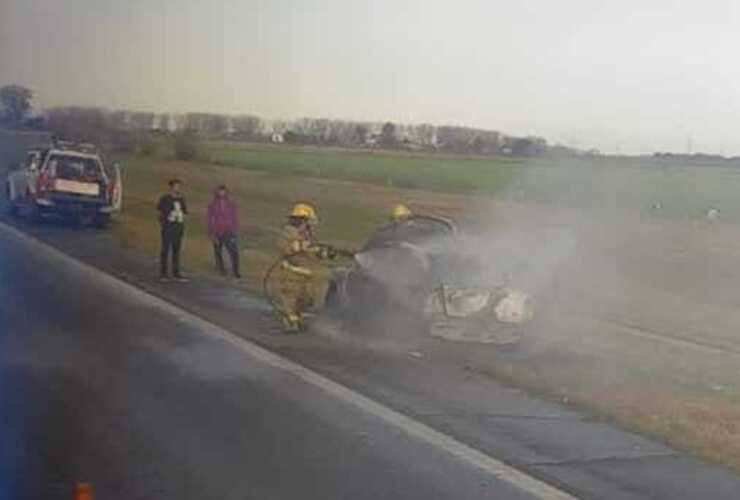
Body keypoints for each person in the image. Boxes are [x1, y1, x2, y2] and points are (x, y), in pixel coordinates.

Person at [277, 202, 336, 332]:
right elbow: (286, 249)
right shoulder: (288, 232)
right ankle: (290, 322)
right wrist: (304, 246)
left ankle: (295, 319)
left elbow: (312, 250)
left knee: (306, 299)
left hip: (306, 273)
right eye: (308, 220)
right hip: (290, 273)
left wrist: (325, 253)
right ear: (301, 219)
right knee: (291, 297)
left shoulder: (307, 233)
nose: (310, 224)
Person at [207, 185, 241, 279]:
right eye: (220, 191)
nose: (221, 193)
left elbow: (234, 218)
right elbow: (210, 219)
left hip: (229, 231)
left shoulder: (231, 204)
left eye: (223, 191)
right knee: (218, 251)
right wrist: (212, 233)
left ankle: (236, 270)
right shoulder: (213, 205)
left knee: (234, 251)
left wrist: (234, 231)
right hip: (218, 231)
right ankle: (221, 268)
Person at [157, 179, 188, 282]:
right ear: (171, 187)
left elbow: (184, 212)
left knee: (176, 251)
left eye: (178, 186)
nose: (177, 188)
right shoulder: (165, 199)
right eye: (175, 186)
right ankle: (163, 273)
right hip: (168, 228)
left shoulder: (181, 199)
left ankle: (176, 272)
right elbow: (160, 214)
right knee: (165, 251)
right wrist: (164, 223)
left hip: (178, 228)